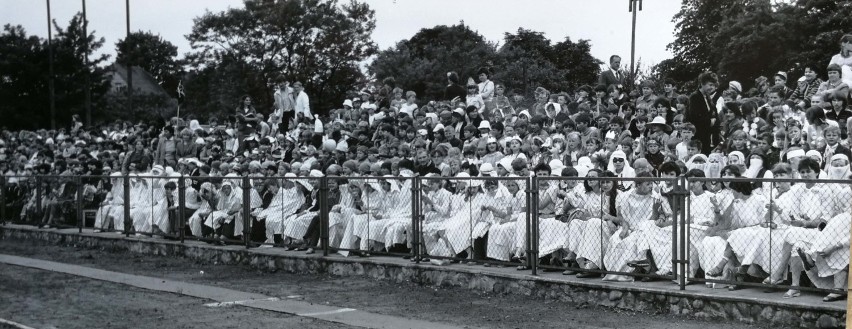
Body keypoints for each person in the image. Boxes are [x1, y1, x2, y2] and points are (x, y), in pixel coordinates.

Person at [686, 72, 720, 154]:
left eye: (713, 85)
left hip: (707, 136)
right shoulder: (695, 97)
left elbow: (714, 114)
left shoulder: (707, 97)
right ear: (702, 84)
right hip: (698, 136)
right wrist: (709, 122)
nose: (712, 87)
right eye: (710, 85)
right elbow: (694, 116)